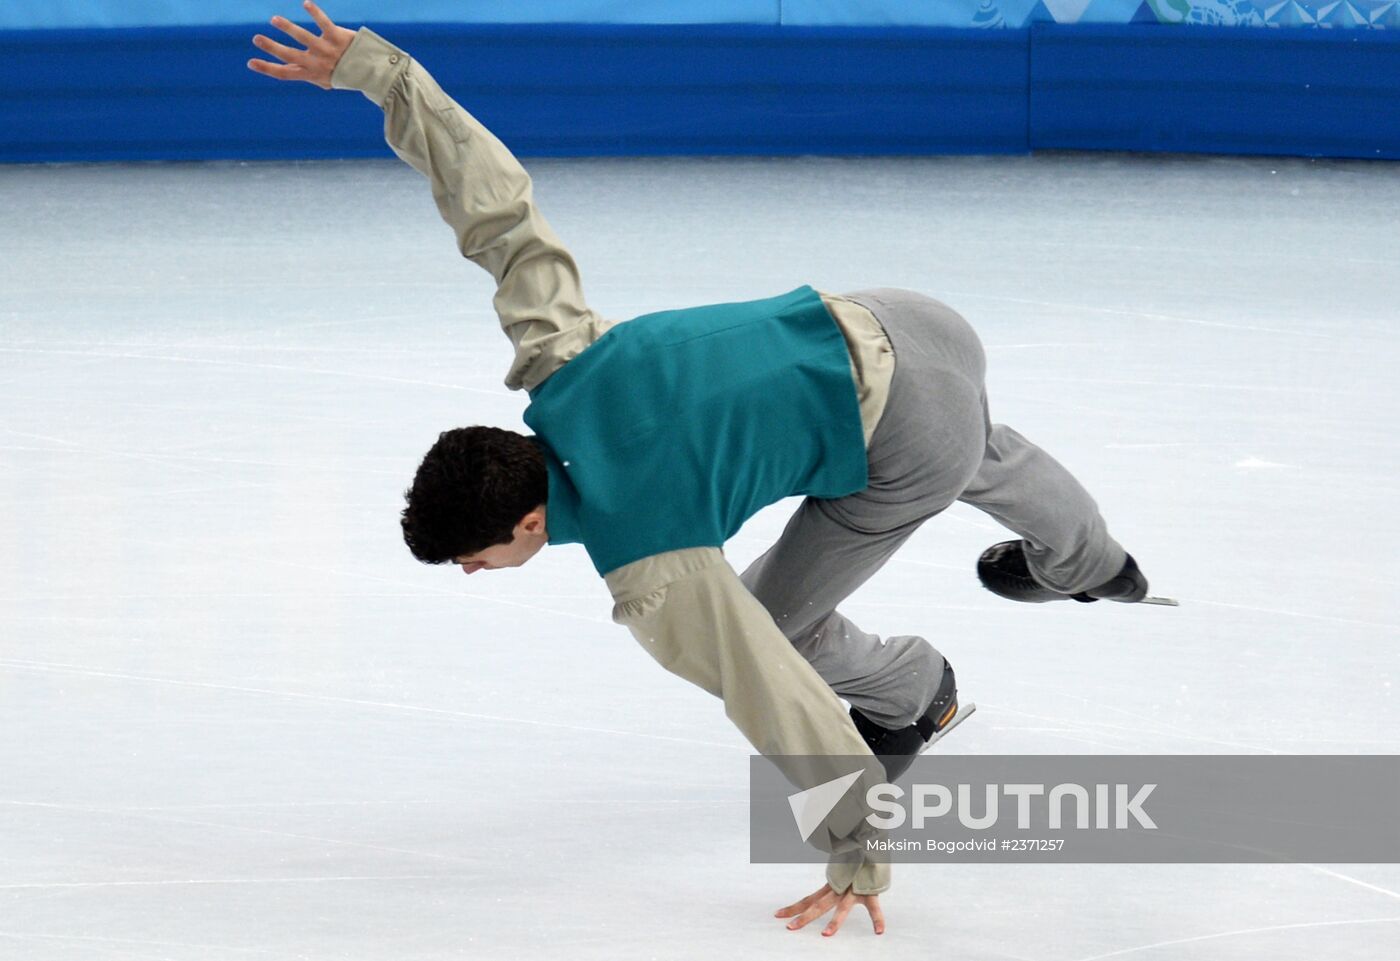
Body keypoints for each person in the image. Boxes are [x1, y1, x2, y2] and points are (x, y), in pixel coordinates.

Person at [249, 2, 1150, 938]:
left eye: (470, 557)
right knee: (971, 444)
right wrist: (379, 71)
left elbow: (772, 690)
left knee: (785, 611)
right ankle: (1098, 563)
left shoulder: (654, 567)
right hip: (906, 316)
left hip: (912, 432)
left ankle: (918, 687)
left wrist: (858, 847)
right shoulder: (561, 360)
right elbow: (496, 211)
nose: (472, 574)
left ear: (523, 523)